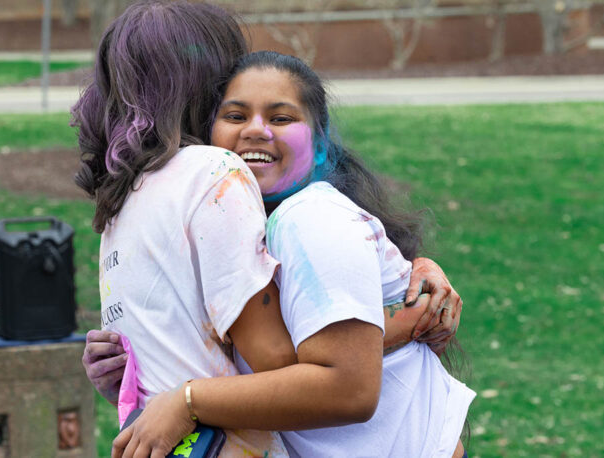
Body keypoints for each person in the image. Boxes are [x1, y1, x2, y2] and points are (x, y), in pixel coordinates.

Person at [70, 2, 463, 456]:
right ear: (206, 90)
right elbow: (295, 366)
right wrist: (405, 320)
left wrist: (173, 394)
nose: (255, 131)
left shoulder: (128, 200)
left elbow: (328, 372)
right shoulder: (210, 178)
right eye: (233, 111)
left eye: (280, 117)